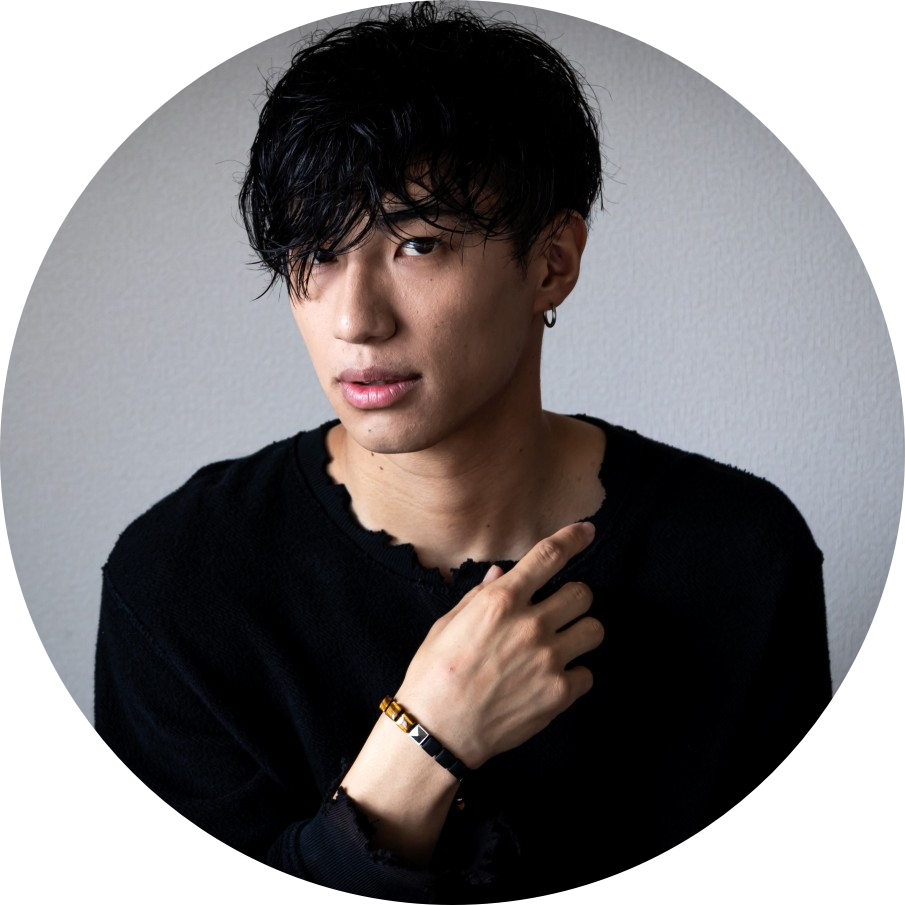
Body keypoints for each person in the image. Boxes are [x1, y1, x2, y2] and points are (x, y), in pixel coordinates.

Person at [94, 2, 833, 899]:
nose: (354, 319)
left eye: (417, 244)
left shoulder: (739, 551)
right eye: (316, 252)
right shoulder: (180, 577)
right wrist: (424, 742)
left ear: (552, 262)